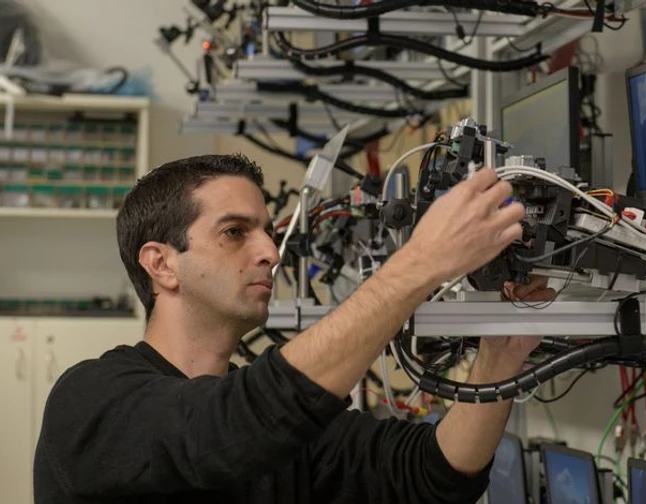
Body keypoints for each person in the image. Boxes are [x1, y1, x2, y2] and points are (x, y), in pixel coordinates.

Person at [33, 154, 554, 504]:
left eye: (269, 232)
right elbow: (227, 429)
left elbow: (432, 473)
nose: (269, 252)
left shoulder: (282, 431)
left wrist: (498, 360)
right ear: (161, 264)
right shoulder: (91, 400)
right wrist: (418, 264)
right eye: (235, 232)